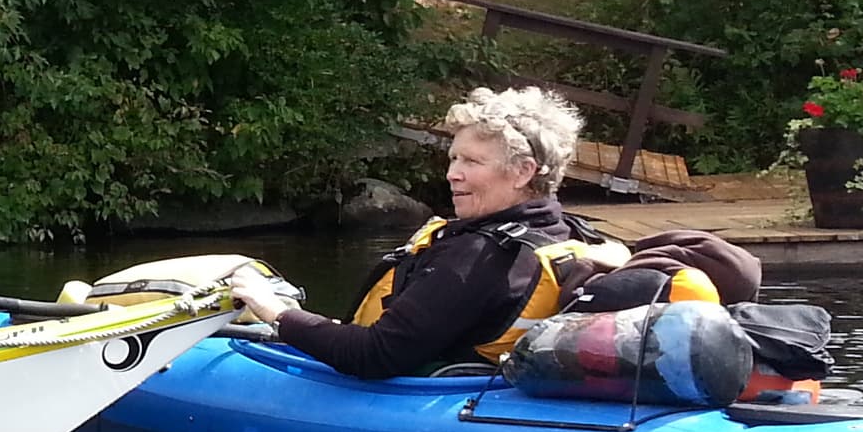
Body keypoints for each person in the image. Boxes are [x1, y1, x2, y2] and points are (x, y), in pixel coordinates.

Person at [234, 87, 632, 380]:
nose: (452, 173)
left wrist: (277, 312)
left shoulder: (479, 255)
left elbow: (375, 355)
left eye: (472, 161)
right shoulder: (569, 233)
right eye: (453, 158)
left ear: (523, 172)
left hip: (415, 395)